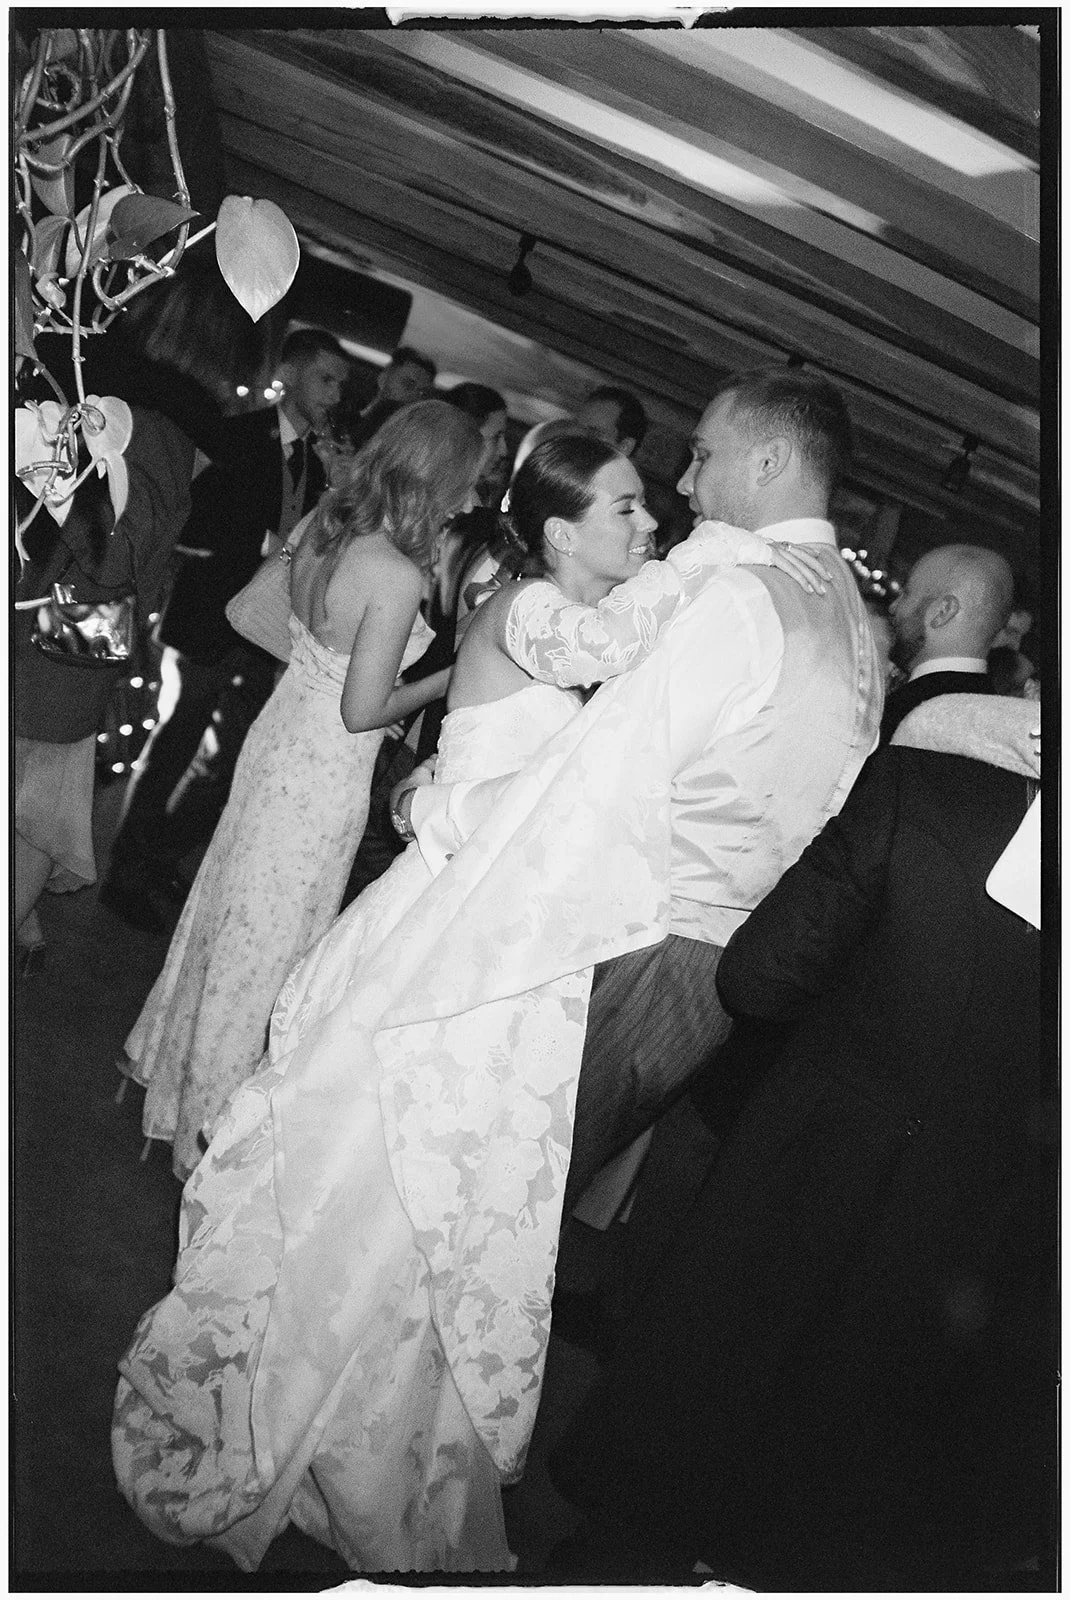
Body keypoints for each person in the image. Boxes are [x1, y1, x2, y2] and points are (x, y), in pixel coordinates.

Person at [112, 432, 828, 1573]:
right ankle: (303, 1397)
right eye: (628, 510)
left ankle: (366, 1405)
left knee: (441, 1181)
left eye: (652, 513)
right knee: (381, 1155)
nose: (652, 528)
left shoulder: (558, 615)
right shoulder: (538, 608)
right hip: (447, 934)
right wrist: (725, 555)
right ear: (556, 529)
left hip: (494, 939)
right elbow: (583, 673)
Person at [549, 694, 1048, 1590]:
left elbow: (758, 979)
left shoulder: (921, 792)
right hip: (963, 1253)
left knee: (669, 1463)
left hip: (802, 1169)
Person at [404, 366, 885, 1213]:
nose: (687, 484)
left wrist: (436, 807)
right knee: (529, 1205)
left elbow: (605, 777)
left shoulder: (740, 594)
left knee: (479, 1187)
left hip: (639, 935)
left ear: (769, 462)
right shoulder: (847, 614)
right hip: (722, 964)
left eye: (703, 455)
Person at [118, 399, 484, 1180]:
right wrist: (455, 672)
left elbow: (246, 612)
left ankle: (171, 1075)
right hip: (321, 772)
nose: (472, 501)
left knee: (229, 912)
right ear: (440, 480)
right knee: (273, 940)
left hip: (279, 735)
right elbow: (363, 711)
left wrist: (317, 667)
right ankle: (210, 1125)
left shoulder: (329, 524)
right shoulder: (396, 570)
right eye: (469, 483)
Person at [14, 265, 246, 973]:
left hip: (42, 607)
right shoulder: (186, 436)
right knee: (37, 802)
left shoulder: (91, 390)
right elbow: (131, 558)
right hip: (83, 632)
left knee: (31, 795)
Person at [101, 327, 350, 931]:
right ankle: (127, 871)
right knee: (178, 741)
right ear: (288, 375)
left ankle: (159, 852)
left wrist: (339, 486)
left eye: (342, 383)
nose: (337, 395)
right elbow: (192, 522)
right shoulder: (236, 436)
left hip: (269, 628)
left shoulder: (328, 457)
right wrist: (265, 542)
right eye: (326, 379)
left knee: (233, 753)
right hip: (211, 614)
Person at [880, 541, 1014, 741]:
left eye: (906, 594)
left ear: (944, 611)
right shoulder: (990, 719)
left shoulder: (910, 714)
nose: (893, 606)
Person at [347, 345, 437, 451]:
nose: (414, 397)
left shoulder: (408, 447)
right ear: (384, 378)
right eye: (408, 385)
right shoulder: (344, 417)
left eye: (422, 393)